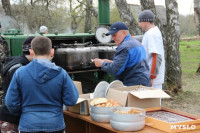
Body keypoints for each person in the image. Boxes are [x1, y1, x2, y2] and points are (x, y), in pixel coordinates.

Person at [5, 36, 79, 133]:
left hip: (28, 125)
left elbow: (11, 103)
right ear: (52, 52)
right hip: (55, 125)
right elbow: (72, 100)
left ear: (31, 51)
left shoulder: (20, 73)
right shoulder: (62, 74)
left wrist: (26, 113)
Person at [93, 22, 151, 87]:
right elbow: (131, 63)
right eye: (112, 36)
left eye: (115, 35)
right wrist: (110, 62)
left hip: (133, 85)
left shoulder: (124, 47)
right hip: (144, 82)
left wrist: (101, 64)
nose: (113, 38)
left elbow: (116, 70)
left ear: (124, 32)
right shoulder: (136, 43)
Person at [0, 36, 35, 133]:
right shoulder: (19, 69)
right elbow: (15, 98)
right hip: (11, 119)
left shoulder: (19, 65)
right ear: (32, 51)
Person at [138, 10, 165, 89]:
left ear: (146, 22)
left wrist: (152, 76)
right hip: (148, 75)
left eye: (140, 22)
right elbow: (143, 38)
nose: (139, 24)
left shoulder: (152, 34)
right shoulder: (150, 32)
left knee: (153, 100)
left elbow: (156, 56)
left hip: (153, 78)